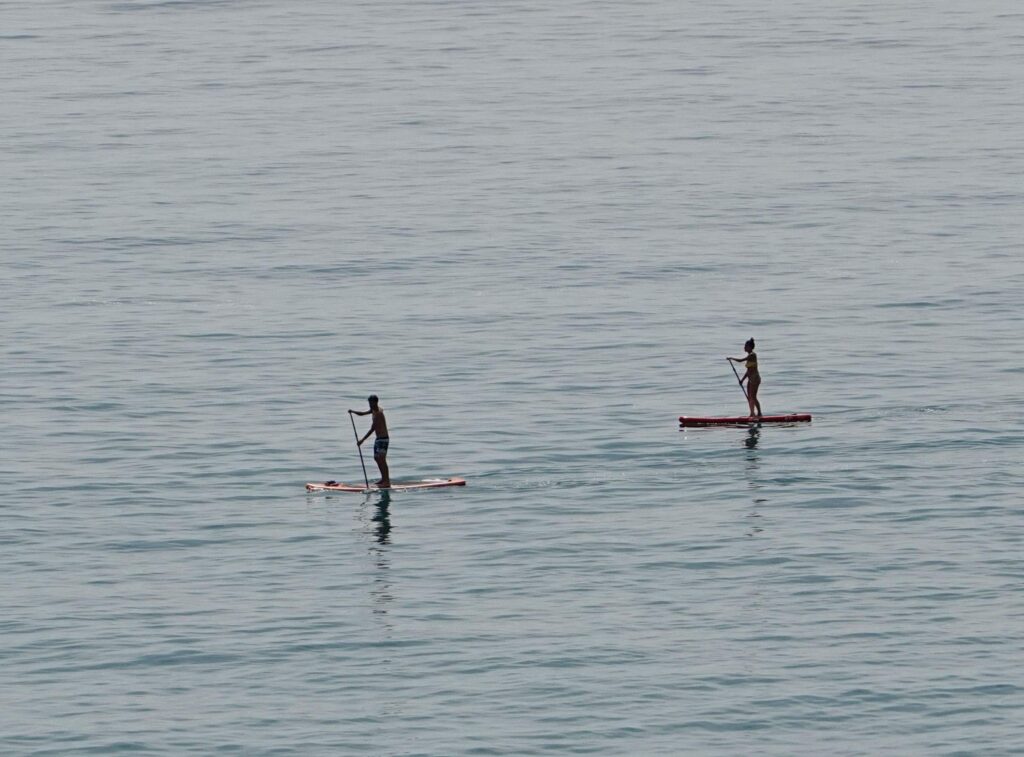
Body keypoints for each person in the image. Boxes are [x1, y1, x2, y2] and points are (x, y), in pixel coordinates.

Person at [349, 395, 390, 488]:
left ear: (376, 402)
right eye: (369, 403)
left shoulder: (378, 413)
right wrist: (353, 412)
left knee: (382, 459)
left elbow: (372, 429)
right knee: (376, 458)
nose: (370, 405)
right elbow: (362, 413)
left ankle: (387, 481)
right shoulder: (373, 410)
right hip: (378, 439)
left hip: (383, 439)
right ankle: (383, 479)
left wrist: (362, 440)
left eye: (371, 403)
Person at [727, 338, 762, 418]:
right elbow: (748, 371)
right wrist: (742, 380)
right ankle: (752, 413)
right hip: (750, 379)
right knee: (749, 397)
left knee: (753, 396)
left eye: (746, 346)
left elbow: (741, 360)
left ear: (750, 347)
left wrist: (732, 358)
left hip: (755, 379)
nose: (744, 347)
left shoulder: (752, 355)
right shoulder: (749, 356)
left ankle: (759, 413)